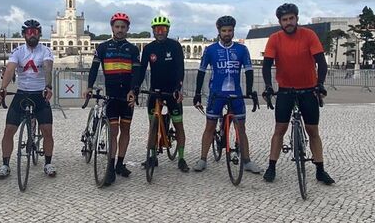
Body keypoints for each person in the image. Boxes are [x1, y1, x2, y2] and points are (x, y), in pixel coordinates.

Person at [261, 3, 334, 185]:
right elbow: (267, 65)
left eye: (291, 18)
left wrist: (320, 84)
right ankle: (271, 167)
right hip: (286, 90)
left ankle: (320, 169)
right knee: (279, 129)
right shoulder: (274, 39)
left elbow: (321, 63)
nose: (288, 22)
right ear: (280, 22)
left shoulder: (309, 35)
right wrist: (268, 86)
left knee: (313, 131)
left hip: (308, 89)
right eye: (284, 20)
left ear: (297, 18)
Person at [192, 16, 260, 173]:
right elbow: (201, 72)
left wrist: (249, 91)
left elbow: (249, 70)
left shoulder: (242, 49)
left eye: (230, 30)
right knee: (210, 126)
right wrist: (197, 93)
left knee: (241, 128)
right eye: (224, 31)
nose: (227, 33)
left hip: (236, 94)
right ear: (219, 31)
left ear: (233, 31)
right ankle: (203, 159)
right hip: (216, 94)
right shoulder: (210, 50)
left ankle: (247, 161)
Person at [0, 19, 56, 179]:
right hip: (22, 93)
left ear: (40, 34)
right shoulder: (18, 51)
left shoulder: (46, 51)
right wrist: (3, 87)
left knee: (47, 131)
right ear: (24, 34)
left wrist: (48, 86)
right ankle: (5, 164)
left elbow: (48, 67)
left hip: (40, 93)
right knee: (9, 130)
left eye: (35, 32)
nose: (32, 35)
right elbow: (10, 70)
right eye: (29, 32)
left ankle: (48, 163)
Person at [86, 12, 140, 186]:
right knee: (113, 132)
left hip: (127, 96)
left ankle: (119, 164)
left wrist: (134, 91)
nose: (120, 30)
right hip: (112, 96)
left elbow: (137, 73)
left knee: (125, 130)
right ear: (112, 28)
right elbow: (94, 69)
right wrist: (89, 86)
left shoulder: (133, 49)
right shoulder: (102, 47)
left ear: (128, 28)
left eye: (123, 27)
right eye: (117, 27)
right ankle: (110, 167)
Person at [135, 15, 189, 172]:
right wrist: (136, 87)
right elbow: (142, 70)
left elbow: (180, 69)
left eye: (163, 29)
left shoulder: (175, 46)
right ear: (153, 31)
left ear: (167, 30)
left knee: (178, 125)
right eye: (157, 29)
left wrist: (178, 88)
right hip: (155, 91)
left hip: (172, 91)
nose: (160, 32)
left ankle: (181, 158)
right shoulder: (148, 49)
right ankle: (152, 157)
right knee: (152, 126)